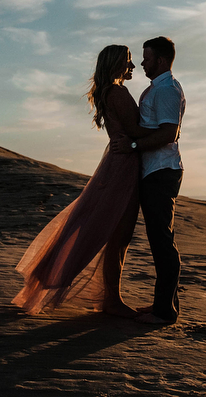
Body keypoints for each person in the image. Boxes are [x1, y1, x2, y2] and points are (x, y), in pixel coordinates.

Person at [11, 44, 151, 317]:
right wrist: (166, 127)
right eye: (128, 62)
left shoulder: (106, 92)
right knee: (117, 236)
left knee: (100, 230)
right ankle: (111, 299)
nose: (133, 67)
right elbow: (136, 131)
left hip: (117, 164)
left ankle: (107, 296)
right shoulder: (118, 92)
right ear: (115, 64)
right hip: (123, 168)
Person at [129, 36, 185, 325]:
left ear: (161, 60)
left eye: (147, 58)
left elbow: (168, 134)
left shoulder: (167, 91)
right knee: (159, 239)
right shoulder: (156, 89)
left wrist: (134, 147)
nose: (142, 63)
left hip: (161, 171)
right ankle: (164, 306)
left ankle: (164, 312)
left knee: (162, 240)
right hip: (153, 171)